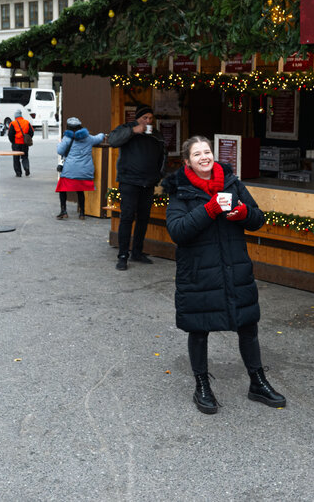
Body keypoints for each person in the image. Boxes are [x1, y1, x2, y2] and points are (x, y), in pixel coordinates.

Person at [163, 135, 286, 415]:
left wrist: (242, 213)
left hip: (234, 267)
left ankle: (257, 382)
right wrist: (209, 210)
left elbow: (257, 218)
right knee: (199, 328)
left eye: (207, 151)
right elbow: (177, 231)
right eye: (197, 154)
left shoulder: (232, 183)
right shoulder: (180, 190)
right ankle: (202, 385)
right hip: (198, 273)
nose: (204, 157)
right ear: (188, 162)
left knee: (247, 325)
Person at [107, 105, 167, 270]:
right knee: (127, 218)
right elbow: (112, 140)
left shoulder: (155, 134)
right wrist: (133, 131)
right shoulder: (127, 129)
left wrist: (159, 175)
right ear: (137, 118)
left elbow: (164, 154)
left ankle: (137, 252)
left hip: (148, 182)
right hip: (129, 181)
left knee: (143, 218)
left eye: (150, 118)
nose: (148, 121)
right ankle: (123, 256)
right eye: (144, 118)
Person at [55, 117, 105, 220]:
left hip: (70, 170)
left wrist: (59, 142)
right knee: (80, 191)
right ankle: (82, 213)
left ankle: (63, 211)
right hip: (84, 171)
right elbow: (99, 138)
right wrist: (102, 134)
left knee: (62, 189)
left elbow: (60, 151)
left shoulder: (67, 138)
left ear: (68, 127)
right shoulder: (88, 138)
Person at [7, 109, 32, 177]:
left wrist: (13, 141)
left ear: (15, 116)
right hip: (24, 143)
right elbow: (31, 132)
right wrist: (26, 138)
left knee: (16, 158)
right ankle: (26, 168)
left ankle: (18, 173)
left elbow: (10, 134)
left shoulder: (13, 123)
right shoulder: (27, 122)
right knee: (25, 157)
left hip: (16, 143)